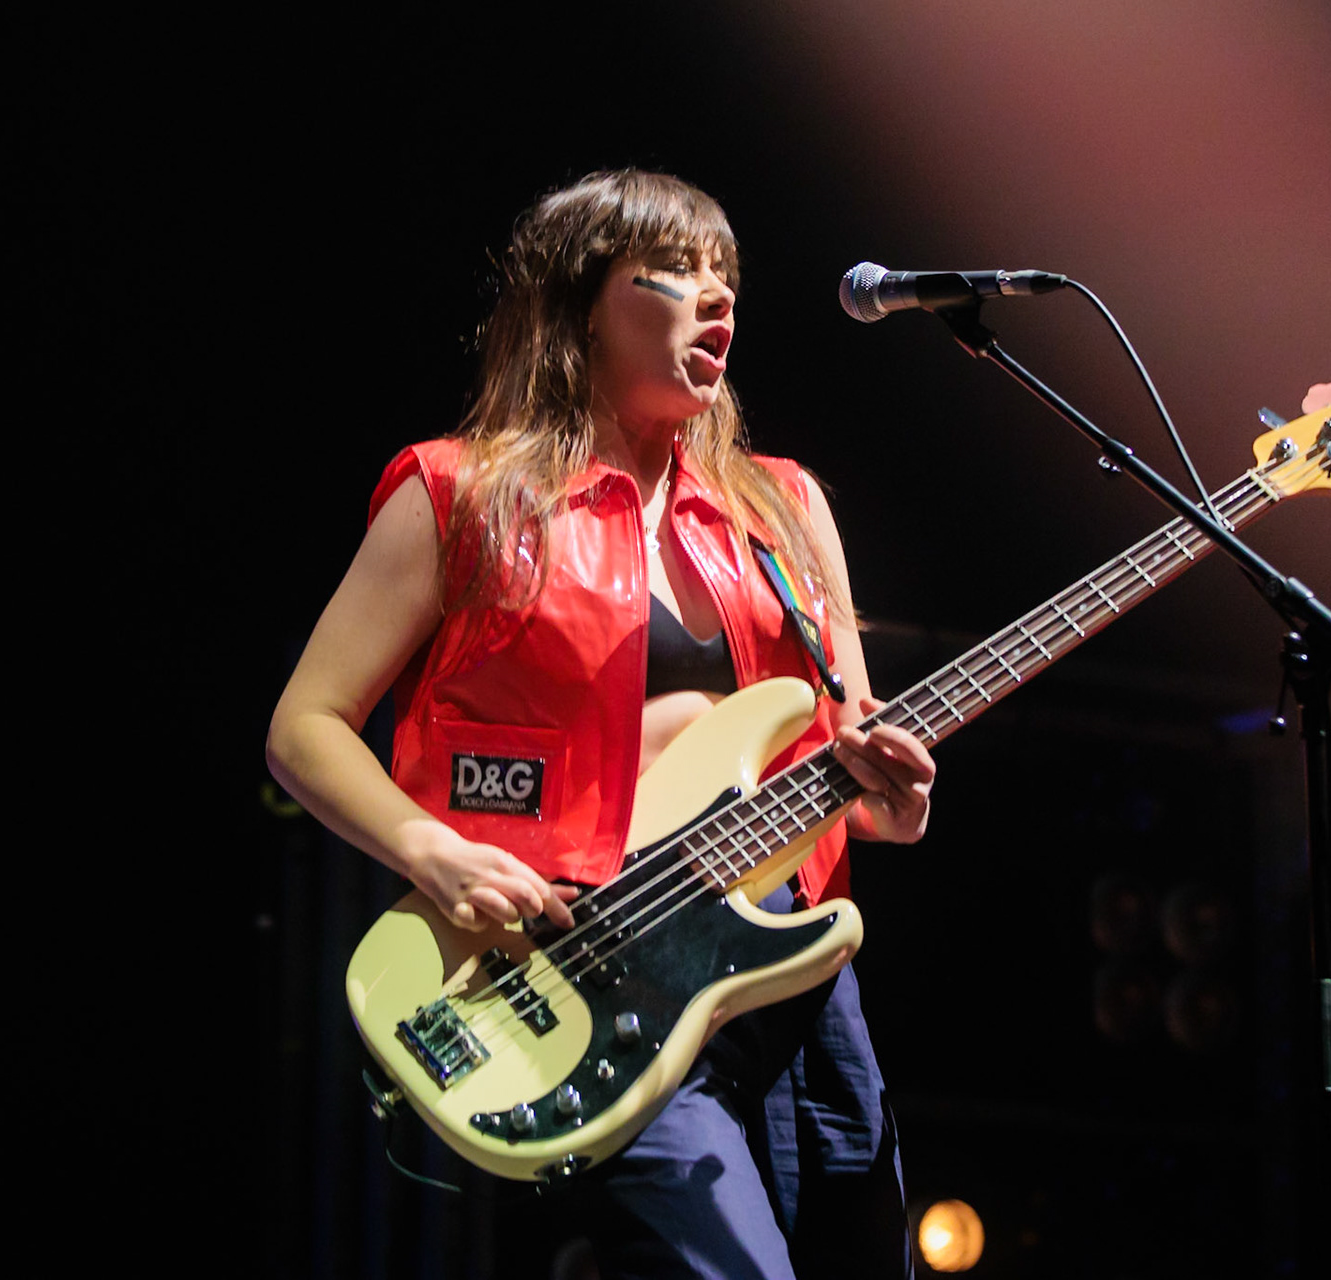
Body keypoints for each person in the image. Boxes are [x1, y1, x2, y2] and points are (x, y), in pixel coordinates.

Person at [266, 168, 935, 1278]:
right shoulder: (463, 494)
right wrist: (435, 851)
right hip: (584, 954)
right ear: (580, 306)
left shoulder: (783, 508)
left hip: (783, 955)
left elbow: (855, 766)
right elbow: (306, 723)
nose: (717, 302)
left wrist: (892, 797)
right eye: (672, 276)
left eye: (728, 280)